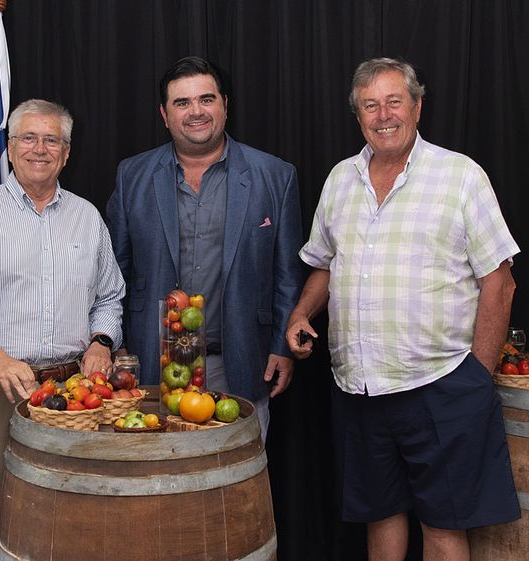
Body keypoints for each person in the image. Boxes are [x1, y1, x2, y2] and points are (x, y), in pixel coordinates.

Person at [286, 57, 520, 561]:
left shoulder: (459, 176)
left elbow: (499, 283)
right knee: (381, 516)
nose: (383, 114)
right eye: (370, 105)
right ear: (358, 116)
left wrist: (476, 377)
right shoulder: (340, 180)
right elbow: (325, 265)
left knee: (444, 524)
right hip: (361, 389)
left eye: (394, 101)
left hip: (442, 384)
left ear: (417, 106)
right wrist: (301, 313)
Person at [0, 99, 125, 561]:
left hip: (75, 394)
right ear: (9, 148)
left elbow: (109, 297)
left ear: (66, 153)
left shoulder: (87, 216)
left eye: (52, 140)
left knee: (68, 515)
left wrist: (102, 342)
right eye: (28, 137)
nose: (39, 149)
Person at [106, 56, 304, 437]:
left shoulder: (275, 176)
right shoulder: (132, 175)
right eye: (182, 103)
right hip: (152, 364)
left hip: (241, 362)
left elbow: (287, 276)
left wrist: (281, 345)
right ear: (165, 115)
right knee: (156, 485)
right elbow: (114, 271)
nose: (196, 111)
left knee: (235, 489)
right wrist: (118, 350)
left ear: (225, 106)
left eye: (206, 99)